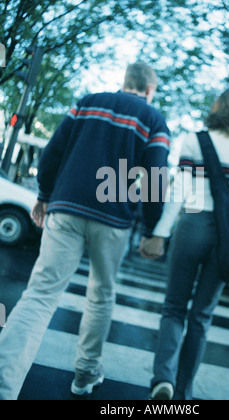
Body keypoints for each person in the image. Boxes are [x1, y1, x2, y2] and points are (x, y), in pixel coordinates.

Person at [0, 61, 170, 400]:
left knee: (40, 294)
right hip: (113, 217)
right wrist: (152, 230)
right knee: (101, 293)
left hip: (66, 207)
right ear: (149, 90)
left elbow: (52, 152)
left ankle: (4, 383)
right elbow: (155, 177)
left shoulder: (87, 101)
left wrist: (44, 196)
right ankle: (85, 373)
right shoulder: (153, 120)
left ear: (125, 82)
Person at [140, 88, 229, 400]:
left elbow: (180, 193)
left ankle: (162, 379)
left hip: (192, 223)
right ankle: (183, 391)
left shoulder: (194, 140)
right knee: (202, 315)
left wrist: (160, 233)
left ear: (216, 109)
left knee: (173, 307)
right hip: (227, 236)